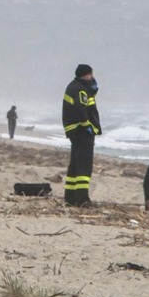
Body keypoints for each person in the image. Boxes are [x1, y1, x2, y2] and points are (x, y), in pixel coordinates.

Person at [62, 64, 101, 207]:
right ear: (85, 75)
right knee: (84, 166)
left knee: (74, 165)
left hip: (74, 130)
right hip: (82, 131)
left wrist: (92, 90)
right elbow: (81, 108)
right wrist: (87, 126)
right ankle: (83, 200)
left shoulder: (74, 86)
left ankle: (70, 198)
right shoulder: (80, 89)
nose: (92, 77)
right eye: (90, 74)